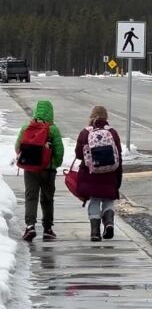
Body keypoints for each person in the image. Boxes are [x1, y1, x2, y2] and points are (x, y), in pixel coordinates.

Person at [16, 100, 64, 241]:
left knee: (31, 197)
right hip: (48, 170)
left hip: (30, 168)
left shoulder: (27, 127)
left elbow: (18, 147)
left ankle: (30, 226)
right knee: (47, 199)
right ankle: (48, 229)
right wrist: (54, 163)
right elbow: (59, 151)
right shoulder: (53, 129)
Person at [75, 106, 122, 242]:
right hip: (110, 173)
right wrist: (118, 177)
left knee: (95, 200)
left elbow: (79, 155)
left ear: (91, 116)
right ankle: (108, 223)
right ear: (106, 117)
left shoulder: (85, 133)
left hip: (91, 174)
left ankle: (95, 232)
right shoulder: (112, 133)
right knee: (108, 200)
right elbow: (118, 155)